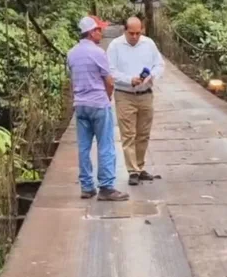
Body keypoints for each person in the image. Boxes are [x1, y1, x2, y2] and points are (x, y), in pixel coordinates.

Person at [66, 15, 129, 201]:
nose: (101, 33)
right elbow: (109, 81)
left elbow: (73, 78)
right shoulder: (98, 53)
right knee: (106, 145)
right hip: (98, 104)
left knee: (84, 147)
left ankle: (86, 187)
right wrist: (108, 97)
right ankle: (107, 187)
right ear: (91, 32)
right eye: (99, 30)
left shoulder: (71, 53)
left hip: (80, 105)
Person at [107, 16, 165, 186]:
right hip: (125, 94)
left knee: (143, 133)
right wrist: (128, 79)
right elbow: (110, 70)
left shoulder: (149, 44)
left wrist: (152, 76)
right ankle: (132, 170)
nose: (134, 37)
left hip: (145, 93)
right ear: (124, 31)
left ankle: (139, 166)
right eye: (131, 33)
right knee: (128, 134)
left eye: (137, 33)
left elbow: (159, 64)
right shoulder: (115, 46)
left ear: (142, 31)